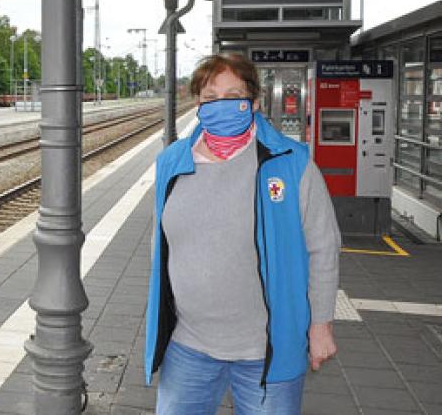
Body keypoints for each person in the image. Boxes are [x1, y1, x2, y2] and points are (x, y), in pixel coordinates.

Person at [144, 53, 341, 414]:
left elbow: (323, 248)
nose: (221, 105)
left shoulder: (289, 161)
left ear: (254, 102)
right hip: (188, 344)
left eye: (233, 95)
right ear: (198, 104)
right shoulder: (171, 161)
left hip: (266, 350)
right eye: (210, 97)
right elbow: (163, 245)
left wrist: (321, 325)